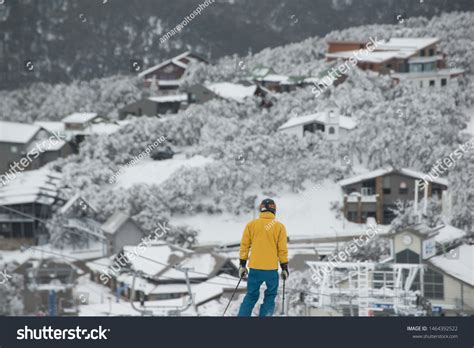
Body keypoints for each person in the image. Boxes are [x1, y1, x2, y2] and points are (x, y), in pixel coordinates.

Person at [237, 198, 289, 317]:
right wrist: (284, 267)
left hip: (255, 268)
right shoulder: (279, 227)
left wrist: (242, 265)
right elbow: (282, 250)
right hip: (271, 270)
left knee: (251, 295)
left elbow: (244, 246)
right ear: (274, 210)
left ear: (261, 209)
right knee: (270, 296)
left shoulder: (251, 225)